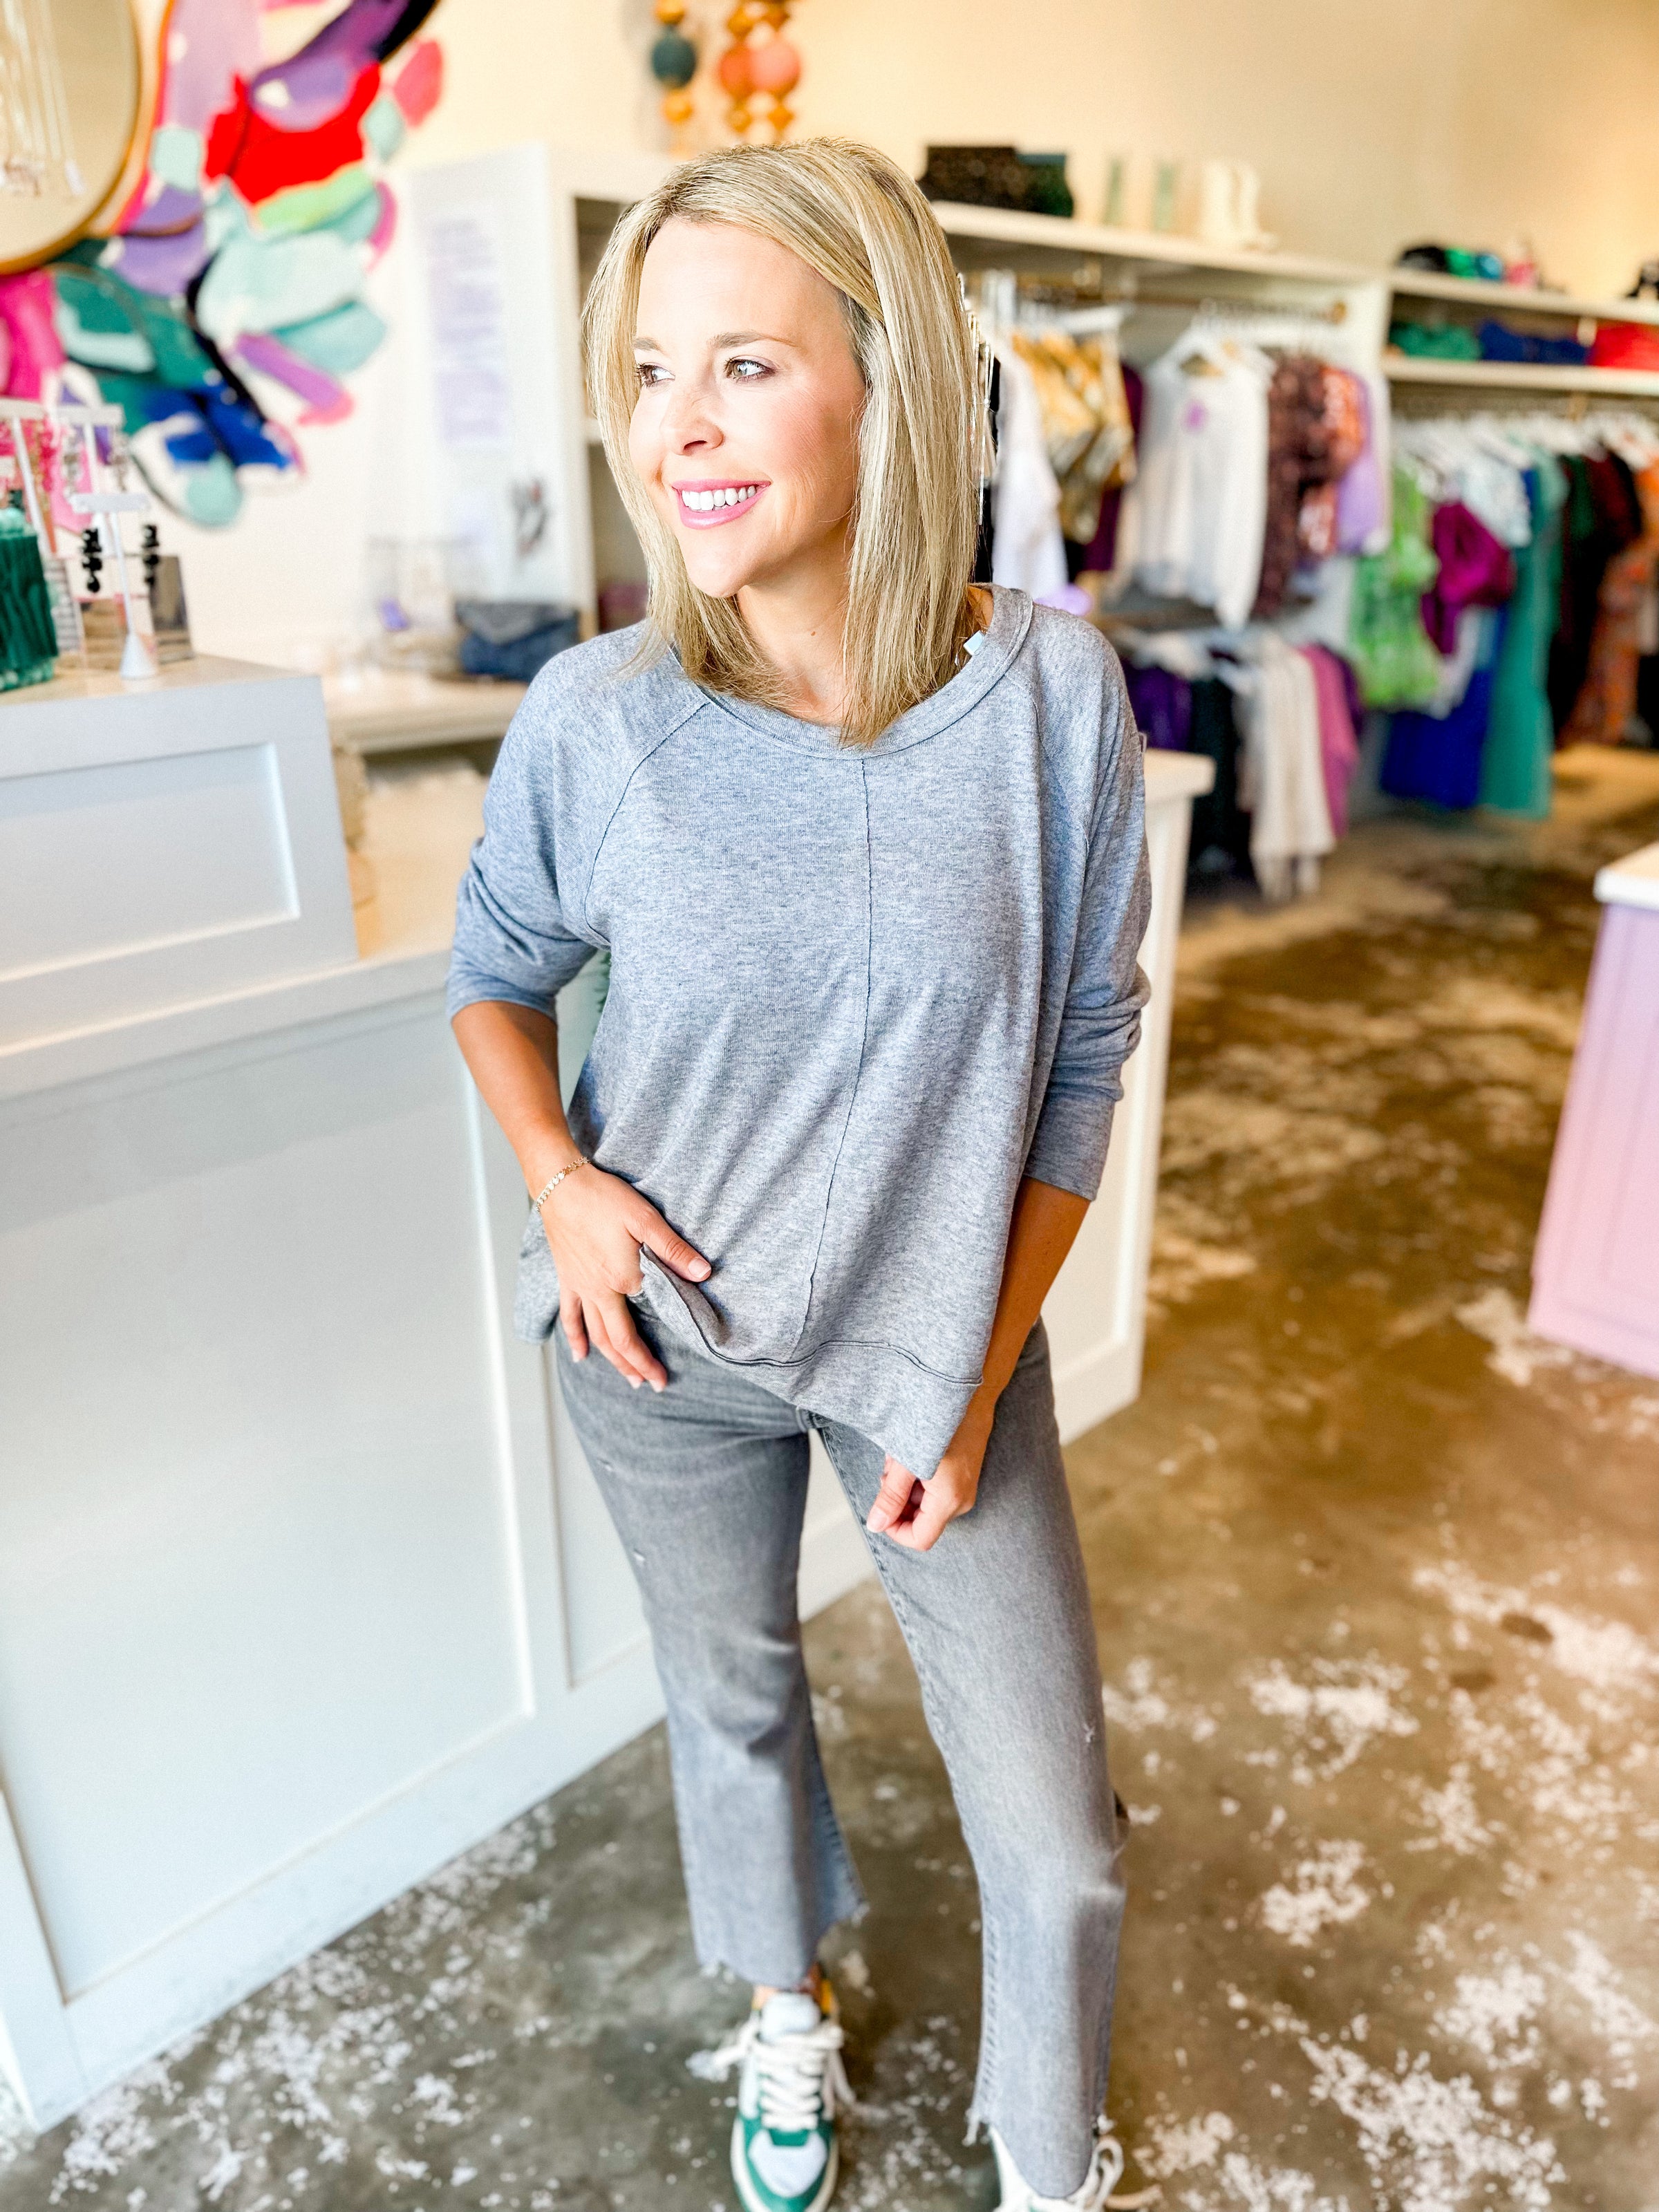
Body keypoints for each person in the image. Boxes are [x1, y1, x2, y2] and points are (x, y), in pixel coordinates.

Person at [448, 138, 1152, 2212]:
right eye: (650, 372)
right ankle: (782, 2004)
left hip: (938, 1343)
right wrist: (560, 1178)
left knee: (1057, 1833)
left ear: (889, 374)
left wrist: (976, 1369)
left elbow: (1080, 1061)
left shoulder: (1054, 701)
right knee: (733, 1694)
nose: (679, 424)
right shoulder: (601, 716)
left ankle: (1050, 2159)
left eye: (743, 364)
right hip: (660, 1347)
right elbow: (492, 977)